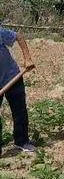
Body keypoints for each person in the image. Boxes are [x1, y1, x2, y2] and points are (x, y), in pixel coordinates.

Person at [0, 27, 36, 155]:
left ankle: (21, 142)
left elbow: (18, 36)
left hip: (12, 77)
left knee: (19, 111)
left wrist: (27, 58)